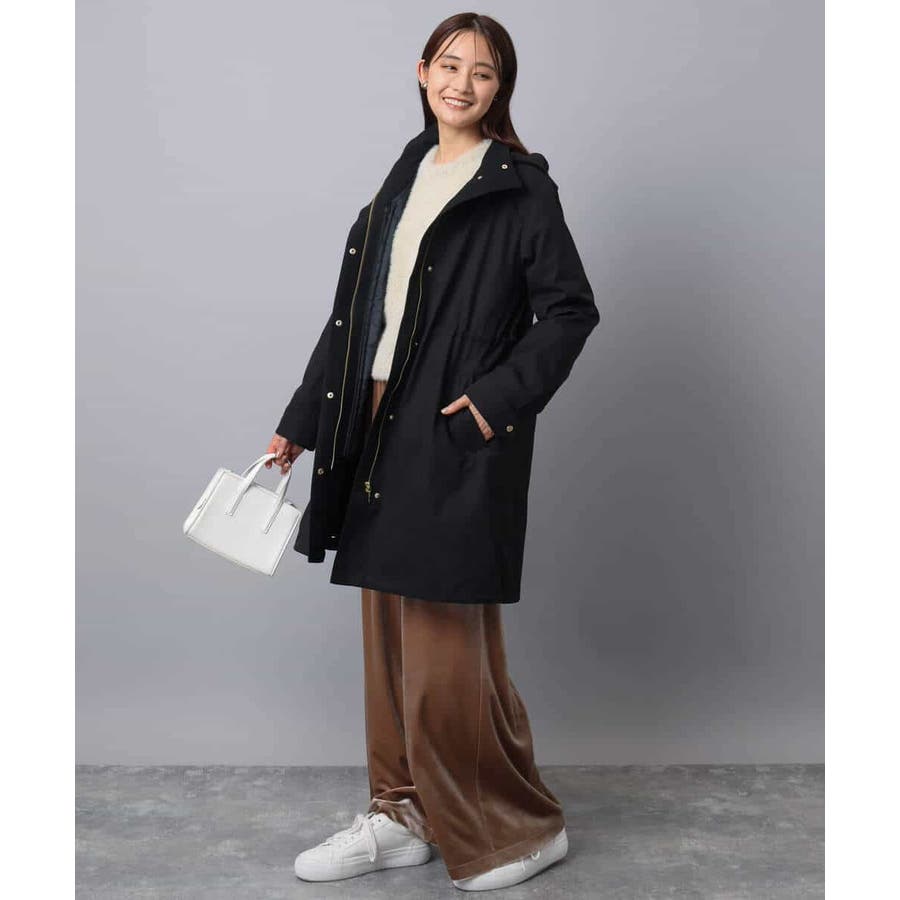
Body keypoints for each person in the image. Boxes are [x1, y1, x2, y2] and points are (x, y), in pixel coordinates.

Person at [266, 12, 599, 892]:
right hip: (369, 423)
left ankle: (512, 829)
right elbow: (353, 320)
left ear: (499, 90)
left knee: (444, 646)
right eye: (450, 66)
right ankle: (400, 813)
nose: (462, 84)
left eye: (483, 73)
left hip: (450, 424)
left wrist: (491, 405)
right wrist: (301, 421)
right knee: (387, 637)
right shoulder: (400, 182)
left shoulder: (519, 189)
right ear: (422, 72)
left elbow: (570, 311)